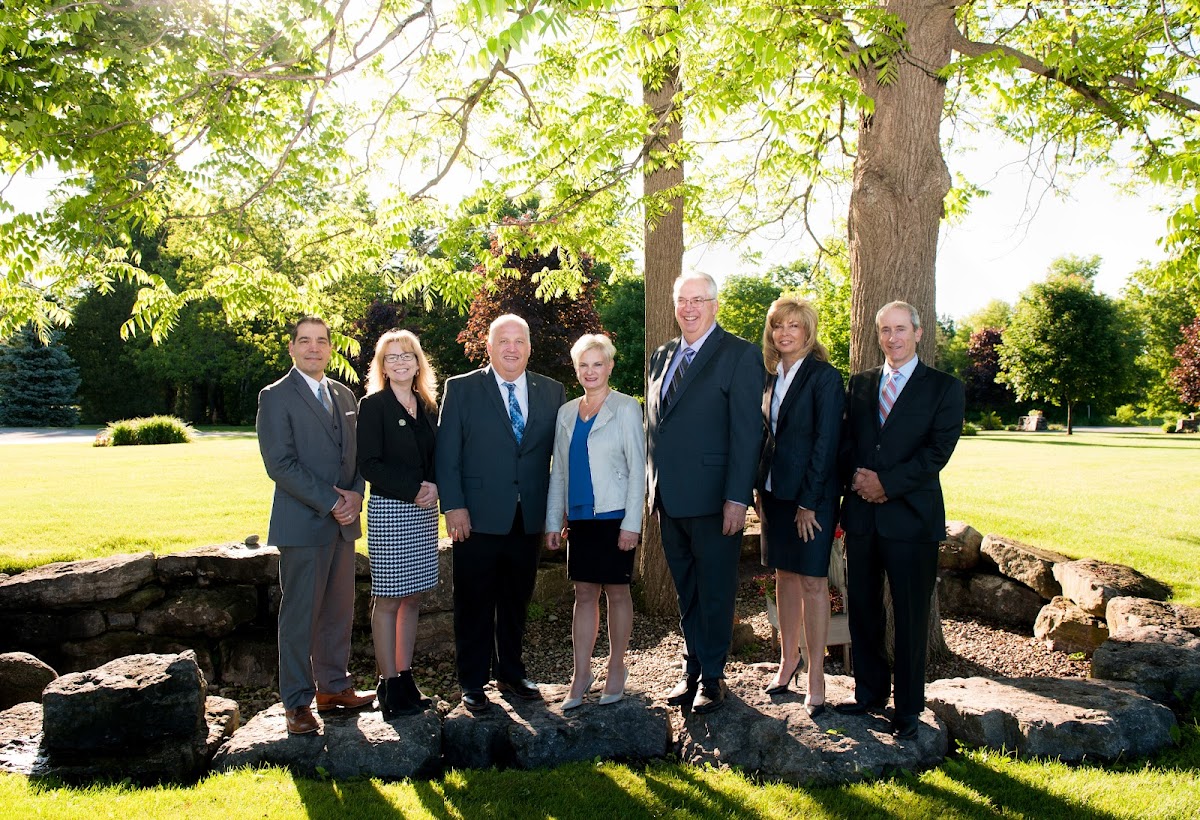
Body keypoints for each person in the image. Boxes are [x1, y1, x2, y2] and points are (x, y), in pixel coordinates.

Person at [835, 300, 965, 740]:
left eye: (901, 329)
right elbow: (845, 441)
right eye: (885, 330)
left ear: (918, 332)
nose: (893, 338)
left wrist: (886, 484)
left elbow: (937, 452)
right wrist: (857, 478)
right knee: (863, 609)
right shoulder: (860, 384)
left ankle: (908, 708)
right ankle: (869, 693)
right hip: (862, 516)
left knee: (910, 616)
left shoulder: (944, 388)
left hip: (911, 519)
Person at [436, 314, 566, 712]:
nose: (512, 348)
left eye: (519, 341)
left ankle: (511, 671)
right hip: (475, 516)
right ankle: (472, 681)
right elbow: (447, 454)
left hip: (528, 516)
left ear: (529, 347)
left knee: (516, 599)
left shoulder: (552, 391)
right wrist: (454, 506)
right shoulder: (461, 388)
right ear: (489, 347)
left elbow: (560, 459)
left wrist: (557, 512)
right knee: (473, 601)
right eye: (503, 341)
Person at [646, 272, 764, 714]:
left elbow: (748, 433)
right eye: (683, 300)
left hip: (716, 500)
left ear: (714, 305)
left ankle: (713, 677)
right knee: (687, 591)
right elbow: (656, 427)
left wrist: (737, 497)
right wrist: (651, 486)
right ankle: (691, 668)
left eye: (699, 299)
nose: (690, 308)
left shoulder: (740, 354)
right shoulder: (661, 356)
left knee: (714, 591)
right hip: (669, 498)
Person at [256, 316, 375, 735]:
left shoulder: (343, 394)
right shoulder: (275, 396)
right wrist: (332, 501)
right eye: (304, 341)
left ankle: (334, 687)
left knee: (338, 612)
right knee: (300, 617)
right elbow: (280, 464)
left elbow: (356, 455)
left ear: (330, 348)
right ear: (291, 347)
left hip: (343, 524)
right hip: (303, 524)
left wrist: (356, 494)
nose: (313, 348)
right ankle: (296, 702)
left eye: (321, 341)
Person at [545, 334, 646, 710]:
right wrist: (553, 520)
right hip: (580, 518)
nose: (591, 371)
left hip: (615, 515)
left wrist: (632, 524)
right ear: (576, 369)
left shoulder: (626, 408)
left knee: (617, 592)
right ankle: (582, 672)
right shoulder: (566, 413)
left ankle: (617, 667)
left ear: (610, 366)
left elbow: (638, 469)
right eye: (583, 365)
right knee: (584, 594)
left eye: (597, 364)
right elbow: (559, 471)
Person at [755, 298, 844, 717]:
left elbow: (827, 442)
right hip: (775, 494)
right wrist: (758, 487)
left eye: (794, 325)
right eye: (778, 325)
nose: (785, 332)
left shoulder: (824, 377)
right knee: (784, 576)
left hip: (813, 497)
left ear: (808, 331)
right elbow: (767, 436)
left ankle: (816, 676)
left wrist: (809, 502)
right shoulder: (771, 376)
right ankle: (787, 660)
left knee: (812, 581)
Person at [357, 329, 440, 719]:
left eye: (407, 355)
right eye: (392, 357)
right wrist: (413, 489)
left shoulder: (428, 405)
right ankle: (388, 685)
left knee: (413, 597)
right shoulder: (373, 406)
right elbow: (369, 465)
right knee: (389, 598)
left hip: (423, 513)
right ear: (382, 366)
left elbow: (438, 455)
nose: (401, 362)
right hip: (391, 511)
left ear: (418, 362)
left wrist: (435, 486)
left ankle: (405, 678)